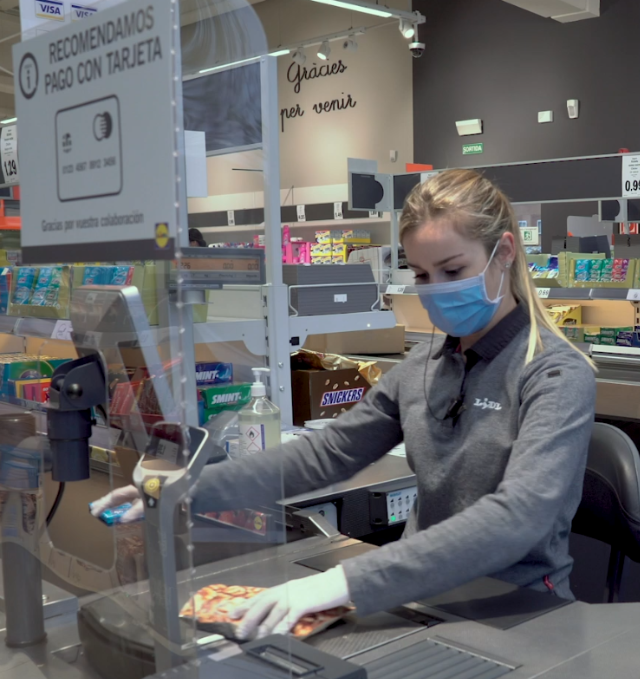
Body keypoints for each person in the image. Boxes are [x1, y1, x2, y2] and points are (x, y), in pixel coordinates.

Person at [89, 170, 599, 639]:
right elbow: (327, 453)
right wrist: (186, 489)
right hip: (423, 599)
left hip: (519, 613)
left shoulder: (555, 374)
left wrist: (342, 583)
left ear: (504, 252)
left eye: (451, 270)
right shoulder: (422, 368)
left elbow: (519, 518)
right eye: (421, 276)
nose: (436, 291)